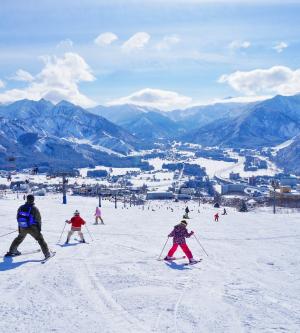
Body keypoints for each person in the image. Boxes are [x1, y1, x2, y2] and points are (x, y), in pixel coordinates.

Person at [5, 194, 51, 259]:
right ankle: (47, 254)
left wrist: (20, 227)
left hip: (23, 227)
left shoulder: (21, 207)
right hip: (33, 228)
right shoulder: (34, 208)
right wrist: (39, 229)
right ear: (33, 200)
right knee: (40, 239)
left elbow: (17, 217)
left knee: (19, 238)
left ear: (27, 199)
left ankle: (12, 251)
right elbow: (38, 219)